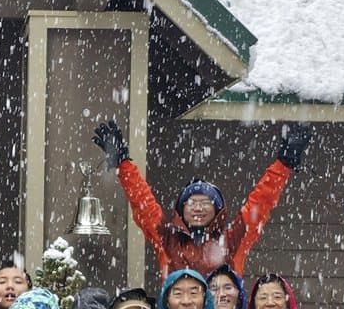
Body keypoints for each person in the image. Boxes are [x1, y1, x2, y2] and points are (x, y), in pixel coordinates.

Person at [92, 117, 313, 276]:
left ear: (217, 210)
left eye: (205, 202)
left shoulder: (233, 240)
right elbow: (143, 203)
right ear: (181, 210)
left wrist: (284, 164)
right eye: (191, 203)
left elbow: (261, 202)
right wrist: (123, 164)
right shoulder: (167, 239)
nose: (198, 207)